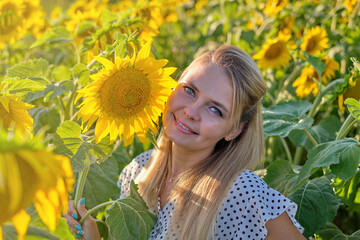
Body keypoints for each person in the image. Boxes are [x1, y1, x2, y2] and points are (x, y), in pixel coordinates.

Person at [65, 45, 306, 240]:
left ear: (234, 130)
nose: (191, 112)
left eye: (215, 110)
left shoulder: (240, 193)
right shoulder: (138, 170)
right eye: (190, 90)